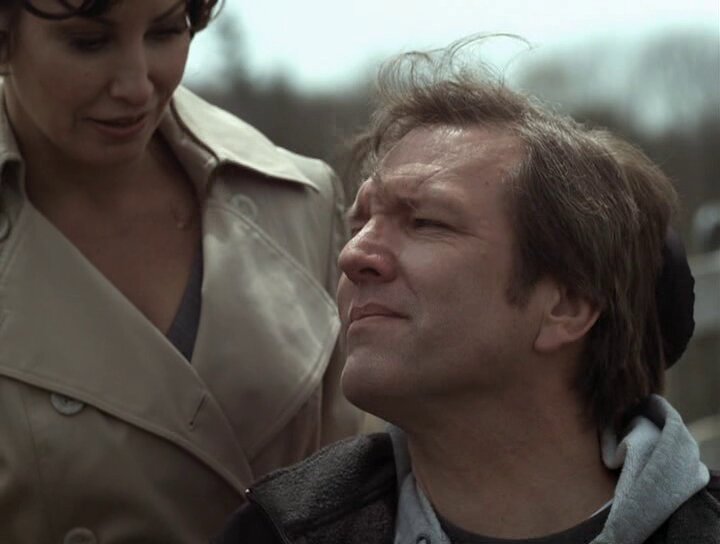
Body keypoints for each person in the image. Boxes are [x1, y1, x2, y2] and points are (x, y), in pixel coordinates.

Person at [215, 41, 720, 544]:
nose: (353, 255)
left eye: (425, 222)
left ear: (566, 306)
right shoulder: (272, 533)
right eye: (358, 224)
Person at [0, 1, 360, 542]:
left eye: (166, 32)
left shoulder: (299, 199)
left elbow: (359, 490)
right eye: (88, 42)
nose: (136, 85)